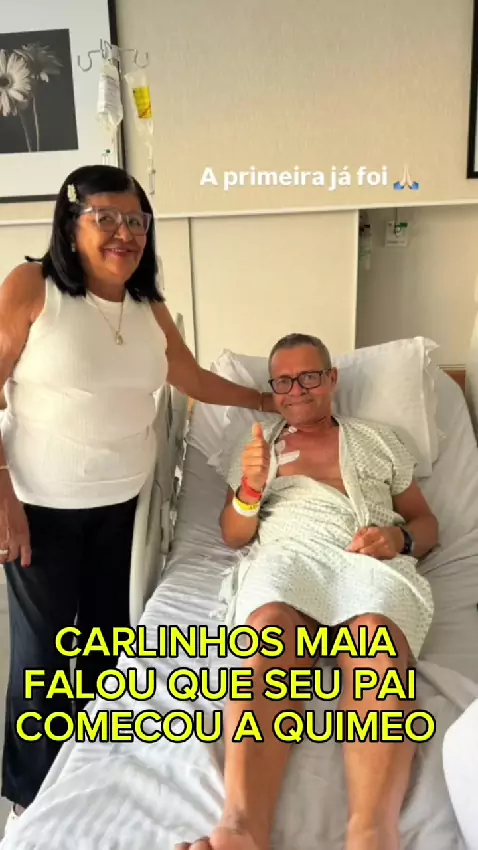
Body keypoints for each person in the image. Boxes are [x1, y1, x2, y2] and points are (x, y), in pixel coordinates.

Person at [0, 164, 275, 830]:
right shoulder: (32, 286)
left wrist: (264, 400)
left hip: (123, 506)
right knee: (42, 654)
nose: (124, 233)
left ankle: (88, 771)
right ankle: (31, 799)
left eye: (136, 221)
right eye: (106, 218)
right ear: (71, 224)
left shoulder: (148, 306)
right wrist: (2, 492)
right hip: (40, 506)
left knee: (105, 644)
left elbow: (191, 377)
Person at [180, 333, 438, 850]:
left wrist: (399, 539)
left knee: (376, 641)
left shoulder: (379, 439)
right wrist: (250, 490)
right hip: (289, 554)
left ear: (332, 379)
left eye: (309, 377)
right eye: (282, 382)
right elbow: (234, 534)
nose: (296, 390)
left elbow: (426, 522)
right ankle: (242, 829)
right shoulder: (258, 444)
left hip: (365, 556)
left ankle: (372, 834)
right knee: (269, 632)